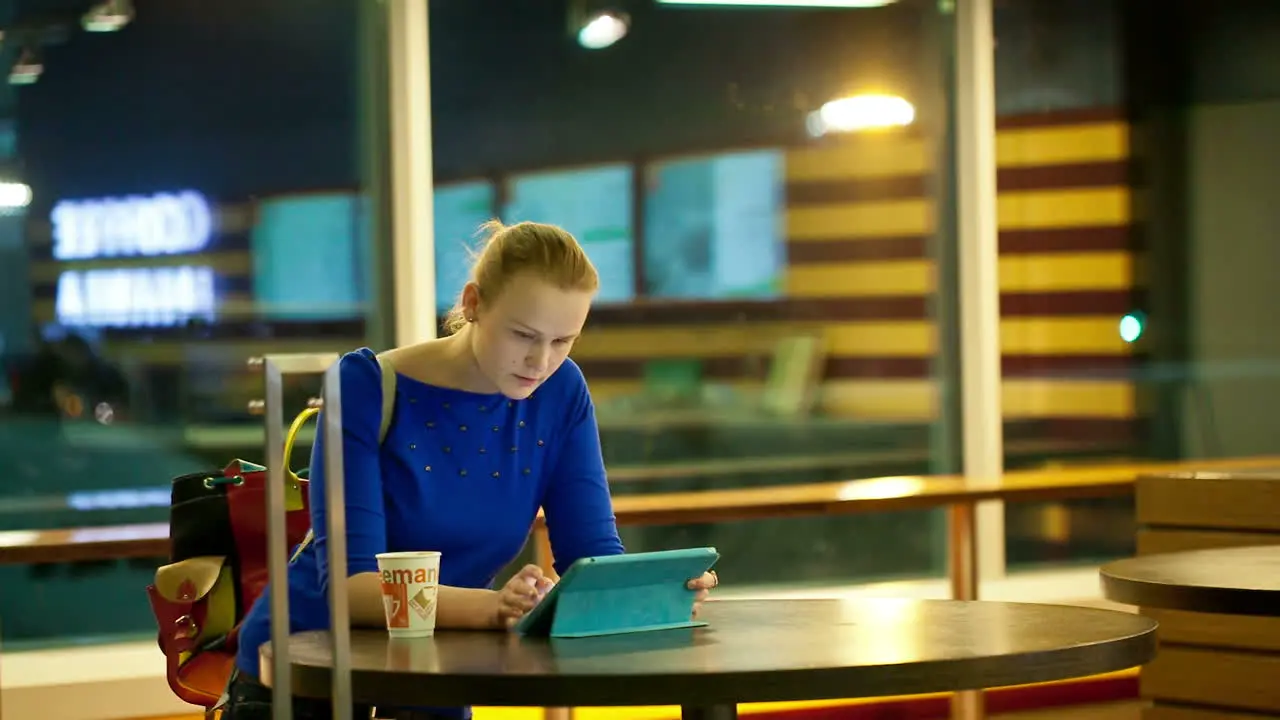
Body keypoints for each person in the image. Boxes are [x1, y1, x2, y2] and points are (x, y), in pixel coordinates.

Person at [224, 220, 720, 720]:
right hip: (306, 666)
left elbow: (589, 557)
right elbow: (353, 591)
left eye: (563, 340)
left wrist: (650, 593)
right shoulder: (364, 387)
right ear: (473, 303)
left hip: (436, 668)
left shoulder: (561, 391)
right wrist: (494, 608)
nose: (539, 361)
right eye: (523, 335)